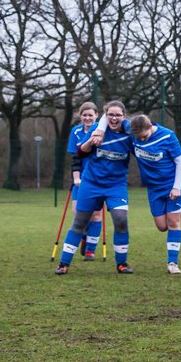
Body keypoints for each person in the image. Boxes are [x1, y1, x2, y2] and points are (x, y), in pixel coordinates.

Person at [56, 100, 133, 275]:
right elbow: (81, 151)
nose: (114, 118)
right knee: (80, 222)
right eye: (110, 115)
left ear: (124, 116)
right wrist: (92, 140)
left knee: (121, 220)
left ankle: (122, 263)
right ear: (106, 116)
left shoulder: (129, 132)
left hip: (116, 185)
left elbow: (142, 145)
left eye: (118, 115)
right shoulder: (97, 128)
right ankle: (63, 263)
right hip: (91, 183)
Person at [128, 114, 181, 274]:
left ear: (150, 127)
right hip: (154, 187)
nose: (142, 140)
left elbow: (180, 162)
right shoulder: (133, 131)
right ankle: (180, 209)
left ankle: (172, 263)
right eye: (138, 138)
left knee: (173, 223)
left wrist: (176, 187)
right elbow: (112, 117)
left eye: (144, 136)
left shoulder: (168, 136)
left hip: (172, 185)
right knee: (162, 226)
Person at [67, 102, 105, 261]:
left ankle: (90, 250)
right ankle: (84, 235)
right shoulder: (75, 131)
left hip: (97, 180)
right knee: (78, 215)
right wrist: (76, 178)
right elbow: (75, 157)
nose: (88, 118)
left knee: (96, 215)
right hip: (80, 181)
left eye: (91, 115)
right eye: (85, 115)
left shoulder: (101, 130)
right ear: (80, 116)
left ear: (96, 115)